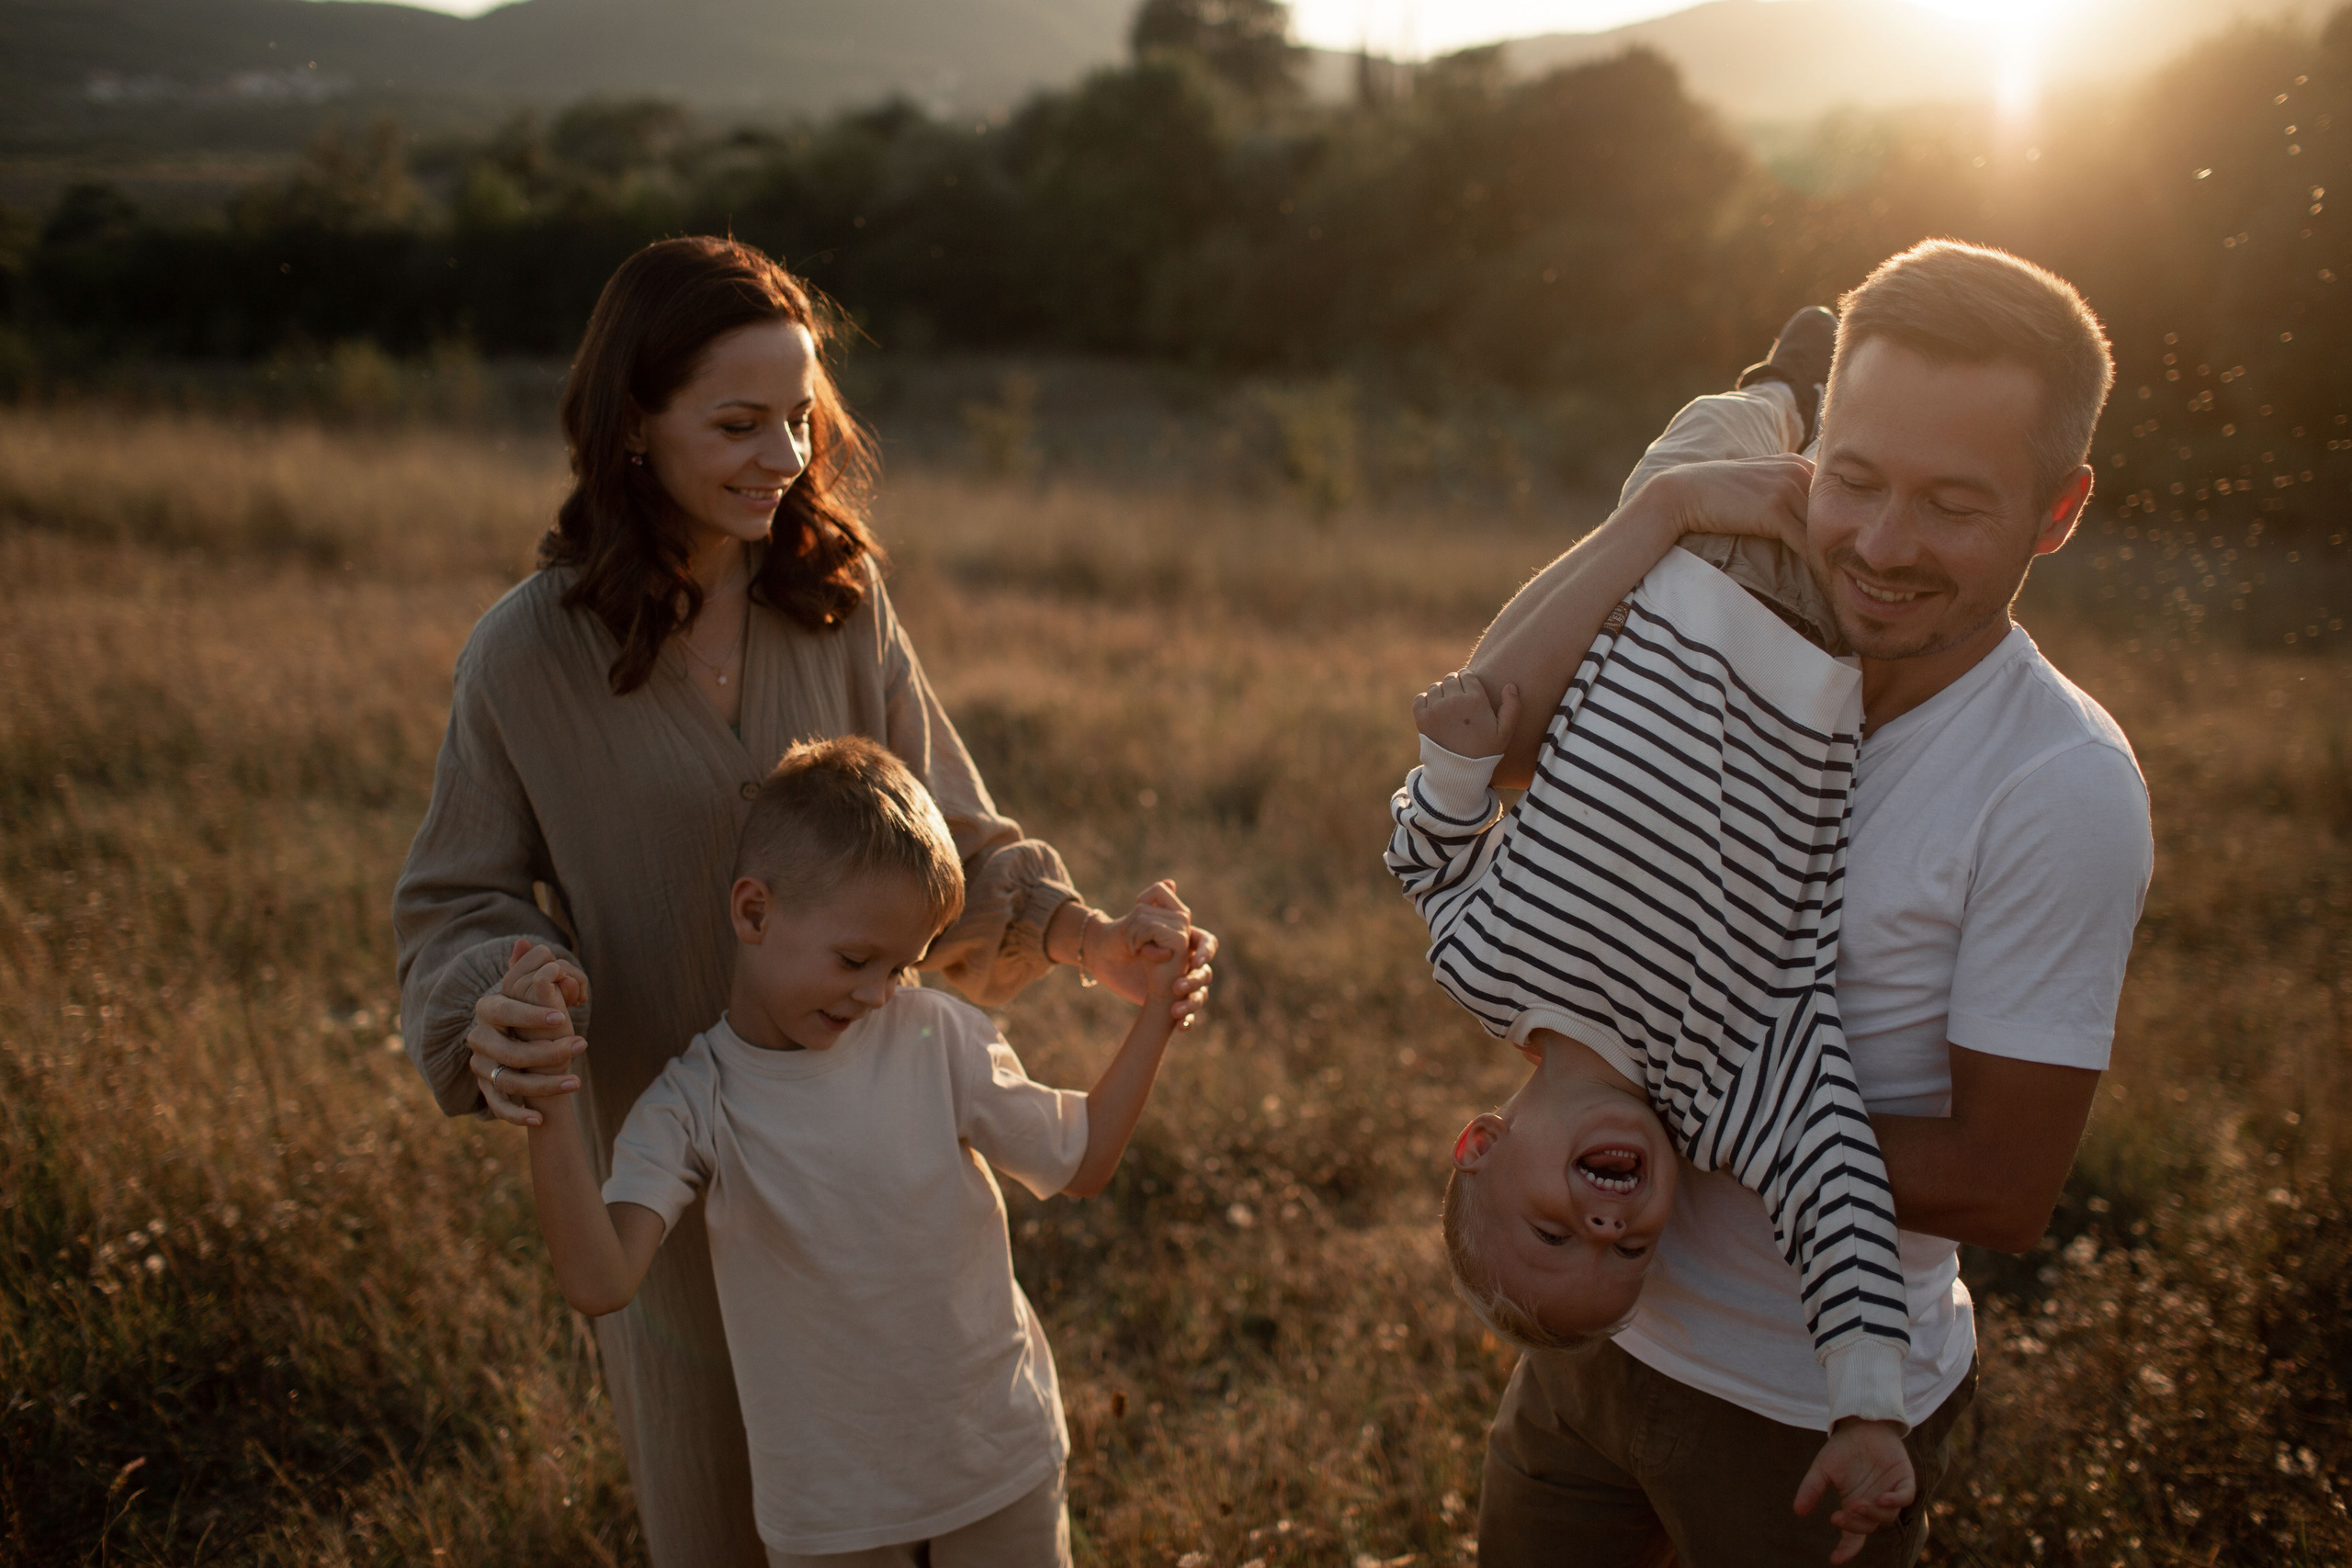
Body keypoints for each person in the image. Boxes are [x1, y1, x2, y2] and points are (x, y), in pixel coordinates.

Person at [392, 235, 1216, 1566]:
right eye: (735, 422)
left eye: (798, 417)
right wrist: (506, 991)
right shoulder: (522, 656)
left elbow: (944, 833)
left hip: (870, 1184)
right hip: (678, 1193)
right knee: (728, 1509)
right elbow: (455, 900)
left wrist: (1085, 938)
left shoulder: (841, 605)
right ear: (630, 424)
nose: (783, 455)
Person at [1452, 242, 2155, 1567]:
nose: (1881, 548)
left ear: (2057, 511)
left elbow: (2006, 1186)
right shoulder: (1728, 618)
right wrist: (1649, 522)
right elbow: (1488, 743)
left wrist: (1651, 1100)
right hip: (1596, 1339)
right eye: (1855, 478)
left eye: (1953, 504)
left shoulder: (2059, 782)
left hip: (1805, 1413)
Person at [518, 736, 1204, 1567]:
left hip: (997, 1464)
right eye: (854, 959)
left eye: (903, 964)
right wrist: (545, 1100)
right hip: (833, 1515)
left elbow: (1084, 1159)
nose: (878, 992)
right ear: (754, 912)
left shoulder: (934, 1036)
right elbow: (600, 1279)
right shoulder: (697, 1101)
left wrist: (1157, 1014)